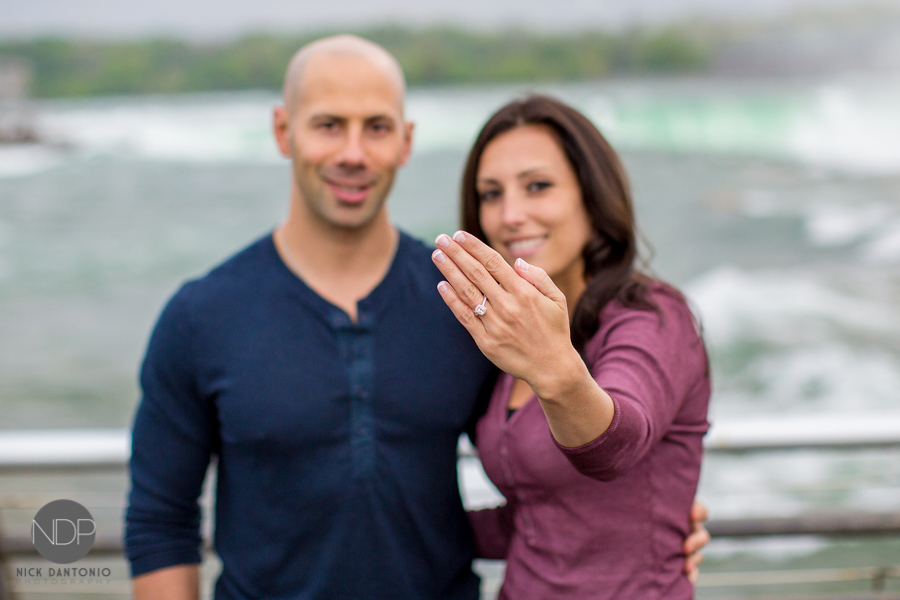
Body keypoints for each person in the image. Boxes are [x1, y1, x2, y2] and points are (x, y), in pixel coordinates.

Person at [125, 36, 708, 600]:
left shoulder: (462, 308)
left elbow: (608, 441)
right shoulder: (200, 316)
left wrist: (647, 526)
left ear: (405, 142)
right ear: (284, 131)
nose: (353, 153)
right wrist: (639, 524)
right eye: (329, 124)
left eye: (376, 127)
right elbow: (161, 520)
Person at [430, 95, 711, 598]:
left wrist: (552, 367)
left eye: (538, 186)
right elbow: (537, 517)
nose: (511, 215)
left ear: (591, 196)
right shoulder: (504, 334)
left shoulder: (653, 317)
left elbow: (616, 444)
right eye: (491, 194)